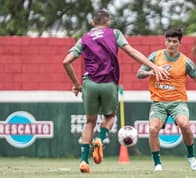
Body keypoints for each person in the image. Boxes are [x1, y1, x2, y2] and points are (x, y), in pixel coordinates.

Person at [63, 9, 169, 174]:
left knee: (90, 122)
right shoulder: (114, 33)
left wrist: (76, 84)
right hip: (108, 83)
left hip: (89, 83)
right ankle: (101, 137)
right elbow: (131, 51)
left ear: (92, 23)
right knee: (110, 117)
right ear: (108, 22)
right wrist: (153, 66)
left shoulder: (84, 39)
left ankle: (84, 160)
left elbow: (66, 61)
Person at [136, 28, 196, 171]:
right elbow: (139, 74)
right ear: (165, 41)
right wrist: (150, 71)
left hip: (178, 102)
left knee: (184, 124)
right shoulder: (155, 56)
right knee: (153, 129)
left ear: (179, 43)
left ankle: (191, 157)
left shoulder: (186, 62)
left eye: (174, 42)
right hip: (158, 102)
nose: (171, 44)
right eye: (169, 41)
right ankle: (157, 163)